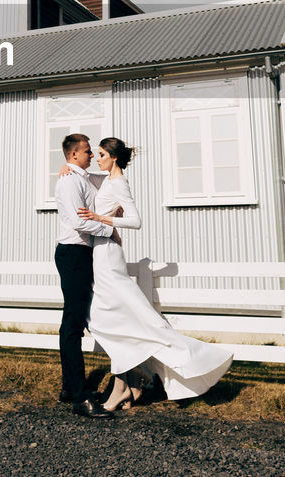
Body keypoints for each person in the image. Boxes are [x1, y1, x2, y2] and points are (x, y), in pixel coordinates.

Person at [71, 136, 234, 411]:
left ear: (112, 157)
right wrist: (67, 168)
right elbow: (83, 176)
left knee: (111, 320)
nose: (96, 158)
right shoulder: (107, 180)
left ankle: (134, 382)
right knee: (107, 320)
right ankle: (134, 380)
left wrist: (102, 219)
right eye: (95, 154)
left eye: (100, 154)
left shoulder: (120, 182)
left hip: (109, 255)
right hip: (99, 253)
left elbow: (135, 221)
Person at [53, 132, 116, 419]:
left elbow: (114, 177)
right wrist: (109, 230)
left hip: (83, 255)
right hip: (73, 253)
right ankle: (80, 397)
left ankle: (69, 387)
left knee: (74, 320)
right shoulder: (69, 181)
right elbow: (79, 221)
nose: (92, 155)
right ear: (74, 154)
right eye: (88, 152)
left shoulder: (84, 178)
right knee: (74, 323)